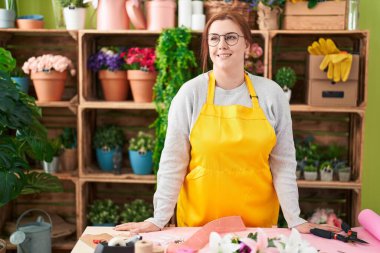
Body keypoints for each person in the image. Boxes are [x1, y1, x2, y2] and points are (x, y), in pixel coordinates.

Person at [115, 11, 341, 234]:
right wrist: (159, 218)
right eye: (214, 38)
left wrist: (294, 218)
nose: (222, 44)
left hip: (257, 227)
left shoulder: (271, 94)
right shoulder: (190, 93)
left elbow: (283, 164)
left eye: (231, 37)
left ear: (247, 46)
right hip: (198, 226)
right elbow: (173, 162)